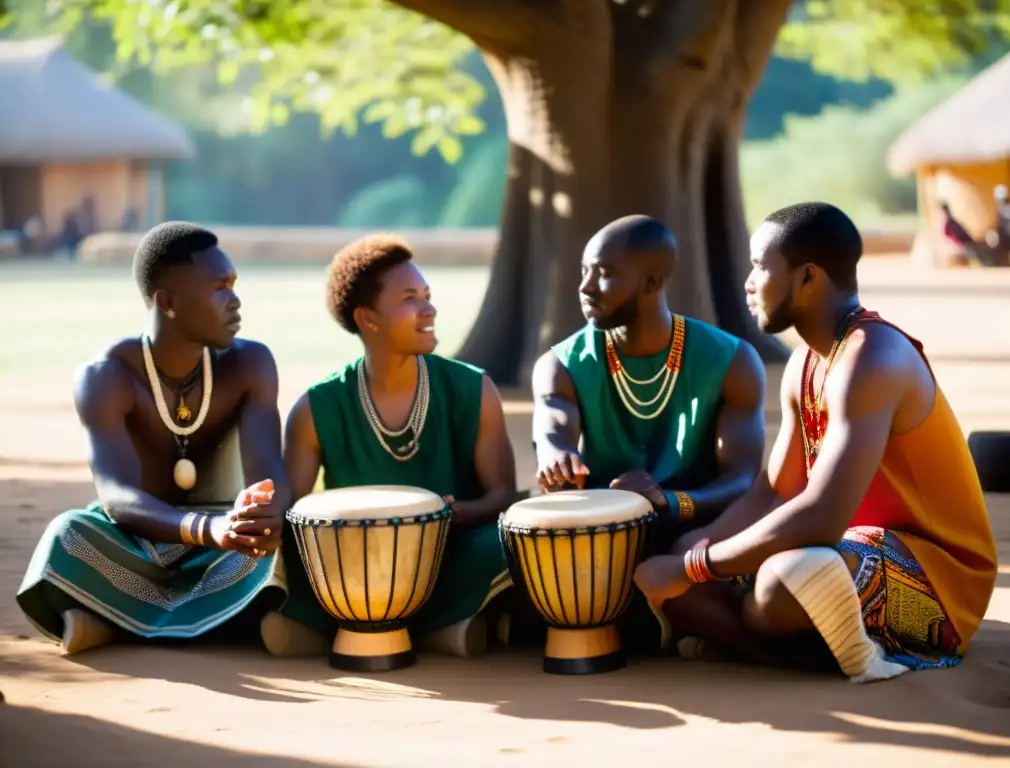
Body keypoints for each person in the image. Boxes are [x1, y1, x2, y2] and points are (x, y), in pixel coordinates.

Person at [634, 202, 999, 680]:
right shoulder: (805, 364)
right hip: (835, 554)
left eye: (761, 266)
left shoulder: (874, 357)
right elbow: (773, 493)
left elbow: (822, 516)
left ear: (808, 278)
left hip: (940, 587)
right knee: (684, 567)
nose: (748, 282)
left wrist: (692, 568)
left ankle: (781, 640)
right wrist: (688, 550)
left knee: (779, 584)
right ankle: (808, 652)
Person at [17, 222, 291, 655]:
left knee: (287, 542)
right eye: (220, 287)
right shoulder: (106, 376)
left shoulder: (250, 364)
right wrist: (208, 529)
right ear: (167, 303)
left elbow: (269, 475)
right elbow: (118, 498)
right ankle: (238, 621)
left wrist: (261, 516)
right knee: (66, 534)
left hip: (226, 546)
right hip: (139, 543)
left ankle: (109, 622)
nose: (235, 301)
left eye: (234, 285)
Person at [272, 234, 517, 658]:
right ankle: (448, 628)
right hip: (354, 569)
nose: (429, 309)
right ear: (368, 319)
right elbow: (292, 513)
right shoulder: (316, 408)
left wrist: (459, 513)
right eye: (410, 299)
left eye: (427, 295)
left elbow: (501, 495)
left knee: (511, 540)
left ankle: (336, 628)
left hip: (450, 557)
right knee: (278, 553)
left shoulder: (473, 389)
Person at [531, 214, 766, 652]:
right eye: (585, 271)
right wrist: (554, 454)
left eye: (604, 274)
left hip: (701, 524)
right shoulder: (560, 363)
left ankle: (762, 649)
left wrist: (668, 501)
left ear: (652, 281)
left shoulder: (732, 359)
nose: (585, 287)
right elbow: (552, 428)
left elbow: (742, 480)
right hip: (607, 535)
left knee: (693, 554)